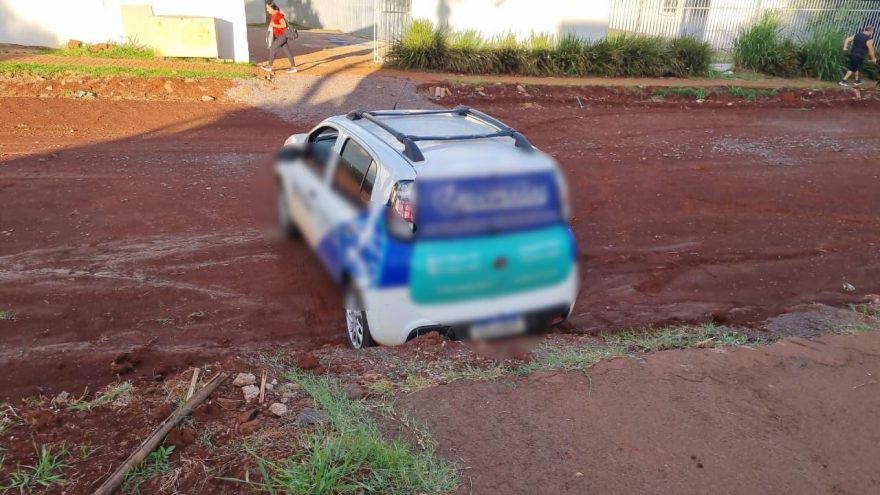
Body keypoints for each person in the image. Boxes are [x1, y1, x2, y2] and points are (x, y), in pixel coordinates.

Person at [261, 2, 297, 74]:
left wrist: (274, 24)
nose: (267, 10)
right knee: (287, 51)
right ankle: (293, 68)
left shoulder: (278, 15)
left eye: (268, 8)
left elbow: (283, 25)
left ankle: (269, 66)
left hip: (282, 35)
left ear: (272, 8)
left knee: (273, 48)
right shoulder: (274, 15)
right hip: (279, 36)